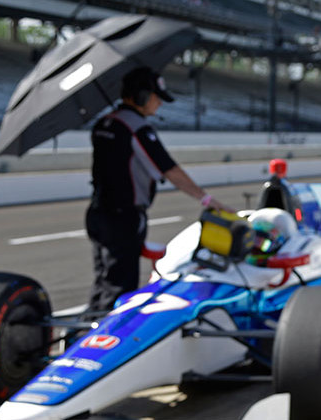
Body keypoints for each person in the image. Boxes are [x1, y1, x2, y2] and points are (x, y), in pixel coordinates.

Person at [85, 66, 232, 313]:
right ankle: (106, 342)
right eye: (156, 98)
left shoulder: (103, 123)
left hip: (98, 211)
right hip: (123, 216)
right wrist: (206, 199)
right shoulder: (136, 128)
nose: (159, 105)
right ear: (141, 95)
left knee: (103, 280)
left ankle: (82, 333)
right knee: (119, 287)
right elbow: (169, 170)